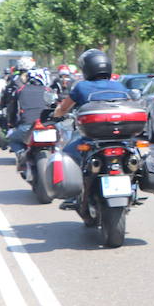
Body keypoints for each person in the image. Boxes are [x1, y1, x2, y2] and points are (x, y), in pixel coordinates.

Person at [51, 48, 129, 206]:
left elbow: (63, 108)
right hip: (121, 137)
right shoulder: (119, 86)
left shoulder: (81, 87)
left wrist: (55, 115)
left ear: (87, 68)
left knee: (68, 154)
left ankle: (74, 195)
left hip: (92, 138)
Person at [4, 69, 55, 165]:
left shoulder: (20, 90)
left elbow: (12, 110)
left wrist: (11, 123)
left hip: (26, 127)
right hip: (47, 126)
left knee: (12, 139)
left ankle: (20, 154)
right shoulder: (48, 90)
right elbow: (56, 106)